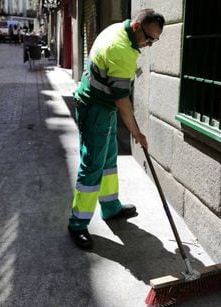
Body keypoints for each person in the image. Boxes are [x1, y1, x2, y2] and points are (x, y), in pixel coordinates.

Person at [68, 9, 165, 249]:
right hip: (95, 108)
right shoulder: (120, 51)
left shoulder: (118, 30)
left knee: (109, 159)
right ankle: (77, 224)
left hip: (102, 104)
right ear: (136, 27)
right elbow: (123, 103)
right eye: (149, 38)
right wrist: (138, 133)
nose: (150, 45)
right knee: (92, 165)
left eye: (155, 40)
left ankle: (110, 207)